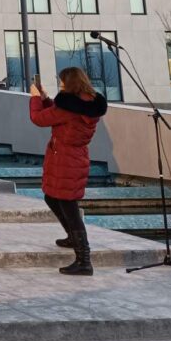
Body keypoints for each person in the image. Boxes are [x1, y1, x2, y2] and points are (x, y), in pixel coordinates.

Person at [30, 67, 107, 275]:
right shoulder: (86, 104)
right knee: (52, 198)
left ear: (70, 83)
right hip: (75, 157)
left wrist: (35, 98)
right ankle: (73, 238)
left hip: (65, 158)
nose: (60, 84)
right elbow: (58, 116)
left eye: (62, 81)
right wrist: (46, 100)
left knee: (68, 206)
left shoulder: (69, 107)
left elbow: (39, 119)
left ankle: (84, 260)